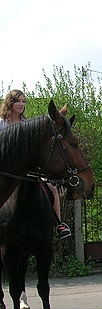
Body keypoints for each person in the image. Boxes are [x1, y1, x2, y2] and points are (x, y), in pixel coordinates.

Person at [0, 90, 71, 239]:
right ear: (10, 103)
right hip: (5, 168)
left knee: (51, 187)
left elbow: (44, 129)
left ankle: (59, 224)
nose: (21, 104)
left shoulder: (26, 124)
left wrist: (57, 116)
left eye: (23, 101)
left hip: (25, 170)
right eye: (18, 101)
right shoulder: (1, 123)